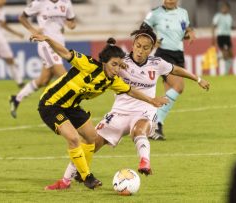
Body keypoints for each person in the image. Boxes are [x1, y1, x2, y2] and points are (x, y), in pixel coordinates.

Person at [43, 28, 210, 190]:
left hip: (145, 109)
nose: (140, 51)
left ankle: (144, 162)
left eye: (145, 48)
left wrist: (198, 78)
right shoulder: (121, 63)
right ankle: (68, 179)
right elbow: (105, 64)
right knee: (91, 143)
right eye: (138, 46)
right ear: (133, 44)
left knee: (138, 131)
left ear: (152, 49)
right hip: (119, 112)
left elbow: (176, 69)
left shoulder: (156, 63)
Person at [30, 33, 169, 190]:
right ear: (104, 62)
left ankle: (69, 179)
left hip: (71, 106)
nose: (117, 70)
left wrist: (152, 101)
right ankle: (86, 177)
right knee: (74, 139)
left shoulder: (112, 80)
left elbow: (131, 91)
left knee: (91, 137)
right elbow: (64, 52)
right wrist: (48, 39)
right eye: (114, 65)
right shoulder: (87, 65)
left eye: (120, 65)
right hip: (51, 104)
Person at [9, 0, 76, 118]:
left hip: (60, 45)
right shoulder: (40, 3)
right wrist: (33, 30)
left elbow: (71, 21)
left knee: (43, 80)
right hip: (46, 45)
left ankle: (16, 98)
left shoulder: (66, 2)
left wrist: (71, 25)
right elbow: (22, 17)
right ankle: (70, 111)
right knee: (64, 77)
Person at [140, 0, 196, 140]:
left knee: (169, 94)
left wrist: (190, 33)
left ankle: (156, 126)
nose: (170, 0)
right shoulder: (155, 13)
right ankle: (155, 122)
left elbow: (185, 30)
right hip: (164, 54)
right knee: (179, 87)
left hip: (179, 55)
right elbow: (142, 29)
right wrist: (152, 40)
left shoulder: (183, 13)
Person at [212, 2, 234, 75]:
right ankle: (225, 73)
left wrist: (234, 27)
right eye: (223, 7)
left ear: (228, 9)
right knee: (226, 54)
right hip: (221, 36)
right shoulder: (218, 16)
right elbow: (213, 26)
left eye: (226, 8)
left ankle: (219, 56)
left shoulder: (229, 16)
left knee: (231, 54)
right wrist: (213, 38)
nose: (224, 9)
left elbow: (229, 26)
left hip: (227, 36)